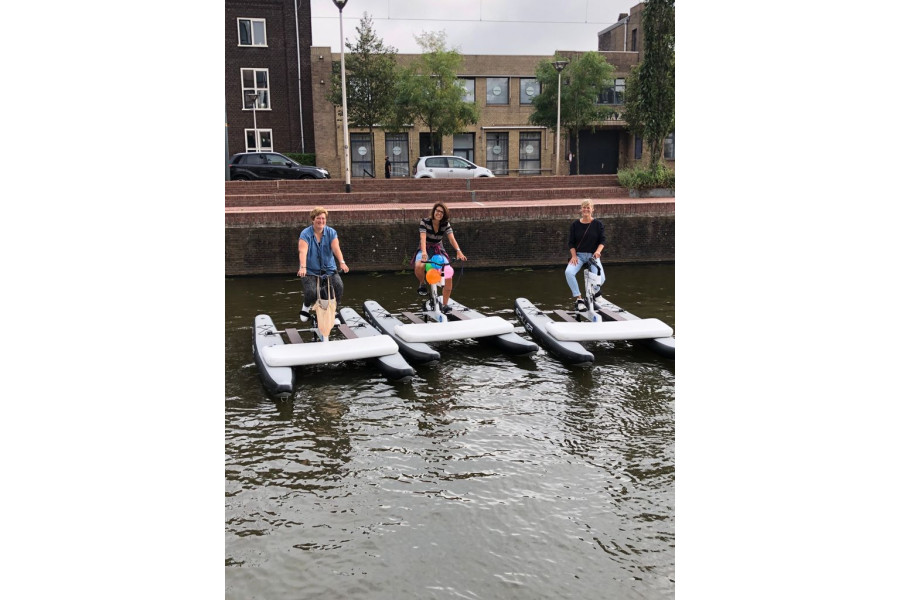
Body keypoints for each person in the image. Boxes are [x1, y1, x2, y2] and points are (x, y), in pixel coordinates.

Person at [297, 206, 350, 322]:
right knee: (311, 292)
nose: (321, 221)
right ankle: (306, 306)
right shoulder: (305, 234)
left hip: (329, 269)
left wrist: (342, 262)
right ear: (313, 219)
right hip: (310, 270)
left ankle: (333, 311)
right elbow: (303, 251)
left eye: (323, 218)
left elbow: (336, 248)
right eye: (318, 218)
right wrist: (303, 267)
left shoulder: (331, 232)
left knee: (338, 286)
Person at [414, 202, 467, 313]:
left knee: (448, 273)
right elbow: (422, 238)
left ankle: (445, 305)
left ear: (444, 215)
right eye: (437, 211)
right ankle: (422, 283)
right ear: (433, 211)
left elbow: (452, 239)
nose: (439, 213)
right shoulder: (424, 222)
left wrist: (459, 251)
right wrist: (424, 252)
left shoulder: (445, 224)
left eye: (442, 212)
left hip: (438, 249)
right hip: (425, 248)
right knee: (419, 265)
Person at [565, 199, 606, 312]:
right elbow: (571, 243)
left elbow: (602, 241)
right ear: (581, 209)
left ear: (592, 209)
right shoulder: (575, 224)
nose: (586, 209)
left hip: (593, 256)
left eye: (588, 207)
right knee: (569, 272)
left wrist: (598, 252)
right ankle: (579, 299)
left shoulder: (598, 224)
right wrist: (573, 256)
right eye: (584, 207)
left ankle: (594, 291)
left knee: (601, 278)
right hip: (579, 255)